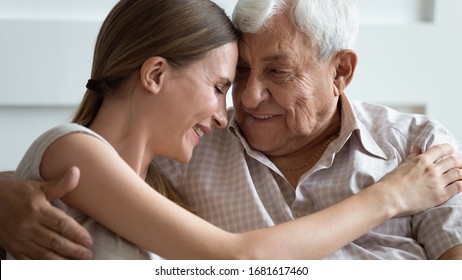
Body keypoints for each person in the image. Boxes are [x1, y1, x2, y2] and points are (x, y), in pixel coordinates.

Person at [0, 0, 461, 260]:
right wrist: (389, 197)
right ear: (155, 75)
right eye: (233, 78)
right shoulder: (177, 146)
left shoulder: (418, 152)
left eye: (277, 73)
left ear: (340, 71)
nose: (241, 102)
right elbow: (238, 258)